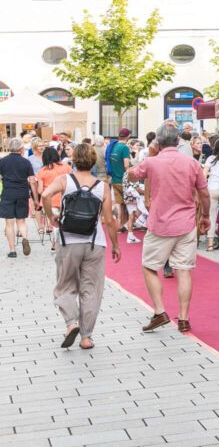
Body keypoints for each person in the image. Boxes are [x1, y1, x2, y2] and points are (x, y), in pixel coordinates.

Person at [127, 122, 210, 334]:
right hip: (186, 222)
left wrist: (150, 155)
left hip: (160, 223)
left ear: (158, 142)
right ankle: (183, 317)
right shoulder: (191, 162)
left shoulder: (152, 162)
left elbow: (131, 175)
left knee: (149, 266)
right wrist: (206, 216)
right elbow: (204, 193)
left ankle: (160, 310)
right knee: (184, 270)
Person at [40, 142, 121, 350]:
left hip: (68, 241)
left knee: (64, 286)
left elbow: (45, 195)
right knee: (91, 289)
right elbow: (109, 220)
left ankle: (71, 323)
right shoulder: (102, 186)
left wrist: (51, 217)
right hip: (95, 242)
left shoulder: (64, 180)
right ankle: (86, 337)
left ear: (74, 160)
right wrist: (115, 245)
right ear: (94, 161)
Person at [1, 137, 36, 257]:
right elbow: (32, 180)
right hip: (22, 193)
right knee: (21, 220)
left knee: (9, 223)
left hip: (8, 193)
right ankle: (25, 238)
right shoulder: (26, 162)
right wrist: (35, 198)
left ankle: (12, 251)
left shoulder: (3, 161)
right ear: (21, 149)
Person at [37, 147, 71, 250]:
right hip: (65, 198)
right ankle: (63, 241)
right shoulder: (66, 167)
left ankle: (54, 244)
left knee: (54, 223)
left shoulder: (42, 171)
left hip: (49, 200)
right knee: (64, 221)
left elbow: (39, 190)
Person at [108, 128, 133, 232]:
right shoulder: (124, 148)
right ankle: (128, 224)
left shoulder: (113, 146)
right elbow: (126, 165)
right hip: (123, 179)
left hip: (114, 179)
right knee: (128, 203)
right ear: (128, 136)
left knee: (118, 202)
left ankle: (119, 224)